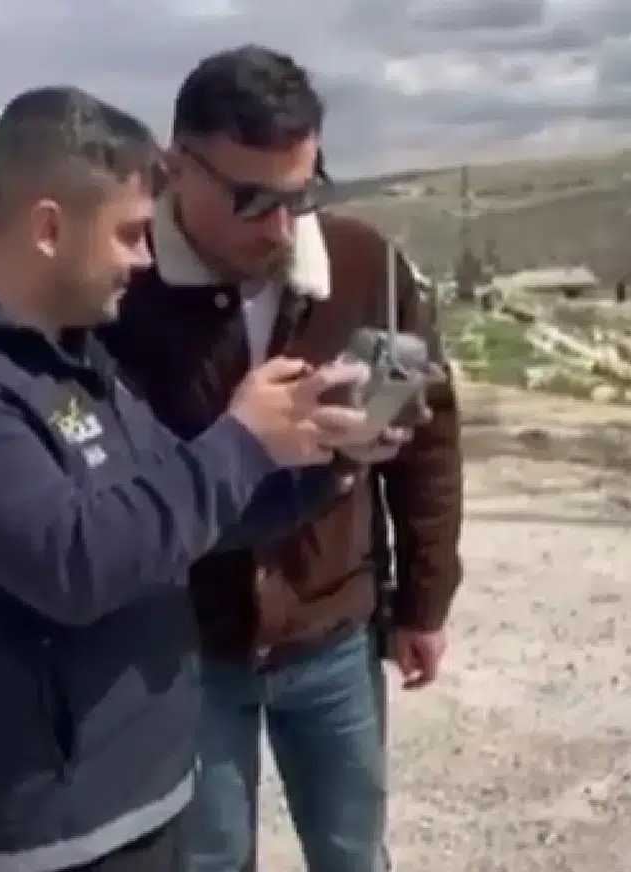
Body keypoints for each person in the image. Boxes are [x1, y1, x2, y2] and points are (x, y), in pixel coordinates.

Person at [0, 85, 402, 872]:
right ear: (48, 228)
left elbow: (174, 513)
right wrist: (241, 440)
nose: (143, 259)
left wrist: (329, 461)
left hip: (146, 805)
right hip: (40, 842)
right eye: (130, 234)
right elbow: (78, 563)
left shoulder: (75, 360)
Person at [102, 46, 465, 872]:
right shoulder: (120, 287)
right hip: (184, 647)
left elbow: (429, 436)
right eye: (253, 199)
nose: (280, 226)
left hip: (333, 629)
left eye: (302, 194)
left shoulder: (365, 265)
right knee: (208, 857)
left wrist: (425, 600)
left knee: (351, 852)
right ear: (175, 168)